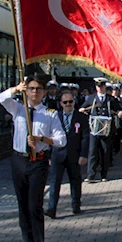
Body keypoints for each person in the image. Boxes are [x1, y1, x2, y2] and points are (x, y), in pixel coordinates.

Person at [0, 75, 66, 242]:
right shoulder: (18, 109)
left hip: (38, 162)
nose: (34, 92)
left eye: (38, 89)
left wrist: (42, 139)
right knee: (22, 206)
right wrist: (15, 89)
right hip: (19, 159)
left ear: (44, 92)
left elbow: (61, 140)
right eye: (31, 88)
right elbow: (2, 98)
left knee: (34, 206)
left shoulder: (50, 114)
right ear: (25, 91)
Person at [45, 89, 89, 218]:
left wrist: (84, 155)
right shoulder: (55, 117)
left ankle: (76, 205)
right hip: (57, 154)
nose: (68, 104)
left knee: (75, 180)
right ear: (61, 103)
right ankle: (52, 208)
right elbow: (49, 136)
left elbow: (85, 137)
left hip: (74, 154)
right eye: (65, 102)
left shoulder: (81, 117)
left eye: (71, 101)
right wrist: (48, 156)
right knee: (55, 182)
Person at [80, 78, 122, 183]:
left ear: (105, 87)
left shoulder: (111, 99)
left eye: (102, 86)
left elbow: (119, 108)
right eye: (98, 86)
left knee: (105, 151)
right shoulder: (91, 98)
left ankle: (104, 174)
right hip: (94, 129)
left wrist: (120, 112)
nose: (100, 88)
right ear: (96, 87)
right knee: (92, 152)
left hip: (106, 129)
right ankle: (91, 175)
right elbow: (83, 108)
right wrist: (82, 110)